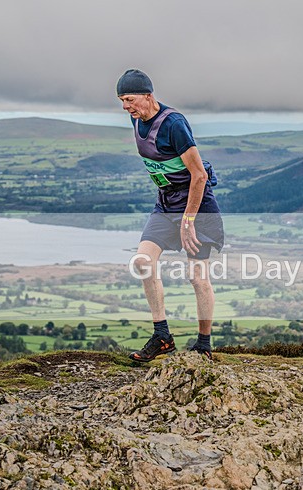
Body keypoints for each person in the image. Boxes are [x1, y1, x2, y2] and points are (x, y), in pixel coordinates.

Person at [117, 69, 224, 362]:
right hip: (165, 204)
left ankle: (204, 344)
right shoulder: (136, 118)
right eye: (122, 101)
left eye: (129, 99)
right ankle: (162, 336)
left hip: (196, 205)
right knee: (143, 262)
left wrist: (188, 221)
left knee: (197, 277)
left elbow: (199, 175)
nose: (126, 107)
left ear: (148, 96)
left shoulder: (174, 124)